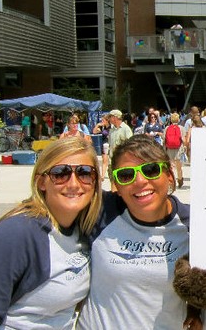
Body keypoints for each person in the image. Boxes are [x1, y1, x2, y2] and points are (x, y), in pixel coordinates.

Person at [0, 137, 102, 329]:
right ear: (41, 182)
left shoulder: (85, 223)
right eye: (60, 173)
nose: (74, 184)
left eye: (84, 173)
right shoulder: (16, 234)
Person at [75, 134, 196, 329]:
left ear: (170, 176)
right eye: (126, 175)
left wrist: (197, 311)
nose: (139, 181)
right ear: (117, 186)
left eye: (150, 170)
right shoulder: (99, 212)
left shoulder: (193, 225)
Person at [107, 109, 133, 192]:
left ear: (115, 117)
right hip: (112, 161)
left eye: (110, 117)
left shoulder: (126, 129)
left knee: (123, 182)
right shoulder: (111, 130)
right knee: (113, 180)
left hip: (122, 161)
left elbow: (130, 145)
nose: (109, 119)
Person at [164, 112, 185, 188]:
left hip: (169, 149)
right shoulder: (181, 128)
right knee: (179, 167)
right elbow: (183, 139)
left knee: (171, 167)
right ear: (178, 119)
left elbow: (164, 139)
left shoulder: (167, 128)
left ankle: (172, 182)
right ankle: (180, 180)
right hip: (178, 149)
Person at [92, 113, 112, 179]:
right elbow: (94, 132)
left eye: (103, 120)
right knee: (104, 160)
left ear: (107, 120)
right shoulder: (102, 127)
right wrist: (97, 125)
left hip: (111, 144)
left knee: (111, 160)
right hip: (104, 145)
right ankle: (103, 175)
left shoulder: (111, 127)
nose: (102, 121)